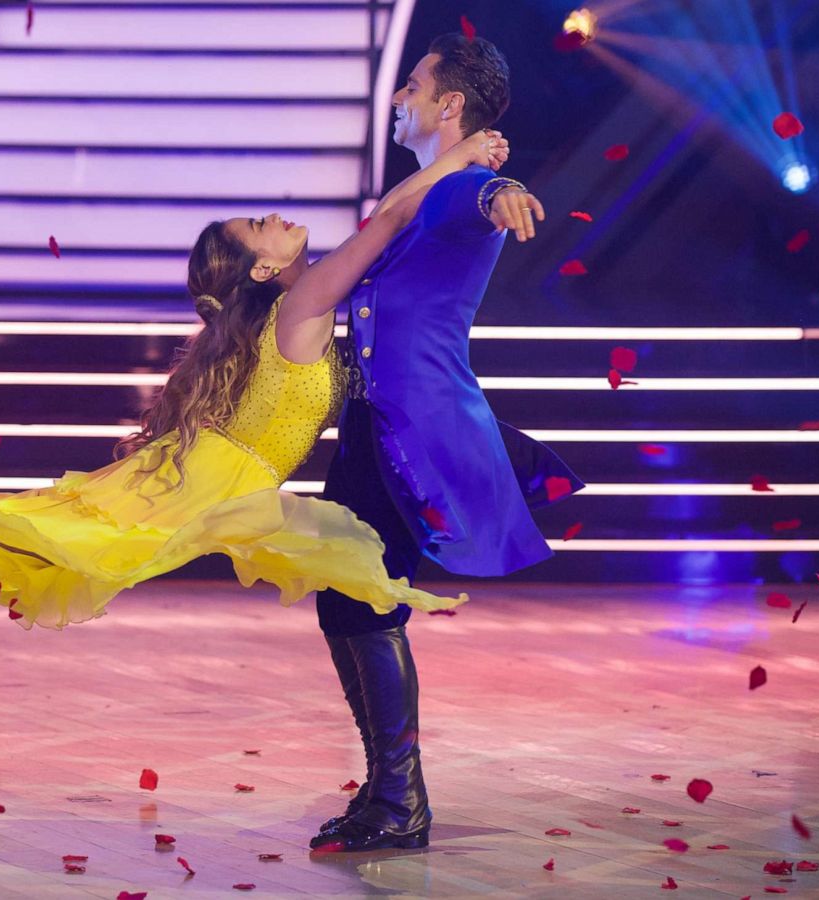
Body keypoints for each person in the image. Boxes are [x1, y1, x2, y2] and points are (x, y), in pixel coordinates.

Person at [0, 128, 515, 635]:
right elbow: (384, 221)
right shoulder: (301, 305)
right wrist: (461, 158)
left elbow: (390, 231)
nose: (280, 216)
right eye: (264, 223)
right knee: (50, 534)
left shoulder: (284, 313)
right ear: (262, 268)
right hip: (209, 486)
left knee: (50, 529)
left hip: (212, 481)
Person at [306, 33, 583, 854]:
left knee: (368, 599)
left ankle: (401, 804)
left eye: (413, 85)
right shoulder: (427, 184)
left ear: (449, 103)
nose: (399, 98)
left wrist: (504, 189)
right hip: (372, 424)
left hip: (413, 432)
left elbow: (477, 197)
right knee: (339, 602)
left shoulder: (457, 190)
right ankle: (383, 793)